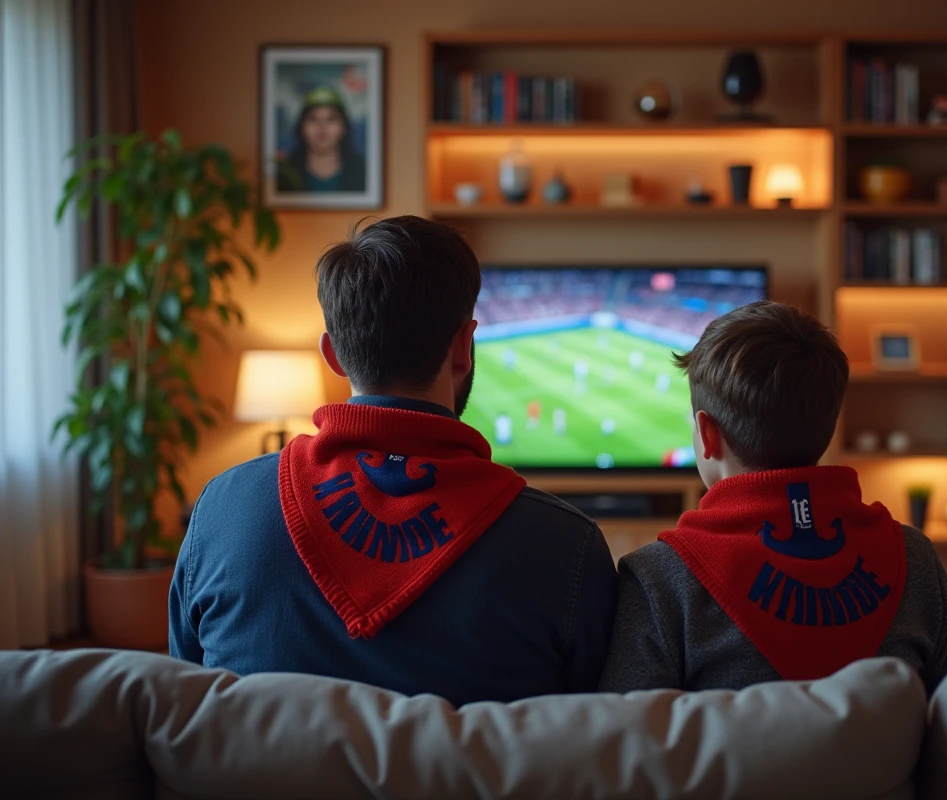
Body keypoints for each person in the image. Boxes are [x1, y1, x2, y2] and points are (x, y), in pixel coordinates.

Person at [170, 216, 617, 706]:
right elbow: (594, 741)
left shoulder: (220, 507)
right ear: (464, 348)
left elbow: (186, 707)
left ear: (333, 355)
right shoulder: (569, 545)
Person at [598, 301, 947, 696]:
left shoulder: (659, 578)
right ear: (828, 427)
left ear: (706, 435)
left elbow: (623, 740)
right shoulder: (914, 558)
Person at [277, 86, 367, 193]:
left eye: (331, 119)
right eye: (313, 119)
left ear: (344, 127)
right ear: (301, 127)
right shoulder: (284, 175)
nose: (322, 127)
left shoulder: (363, 173)